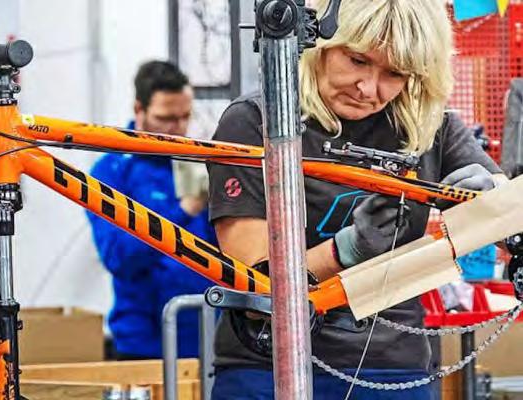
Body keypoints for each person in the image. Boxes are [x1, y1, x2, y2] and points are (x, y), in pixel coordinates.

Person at [206, 0, 507, 399]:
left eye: (394, 73)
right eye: (357, 60)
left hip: (393, 370)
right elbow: (254, 287)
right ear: (320, 43)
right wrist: (347, 250)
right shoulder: (254, 123)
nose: (368, 89)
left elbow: (509, 214)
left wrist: (494, 201)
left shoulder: (428, 125)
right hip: (266, 368)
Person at [87, 61, 215, 360]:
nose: (178, 129)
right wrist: (184, 210)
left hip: (208, 335)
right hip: (143, 342)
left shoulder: (200, 161)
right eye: (166, 118)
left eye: (185, 117)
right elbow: (119, 257)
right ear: (139, 109)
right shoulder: (112, 172)